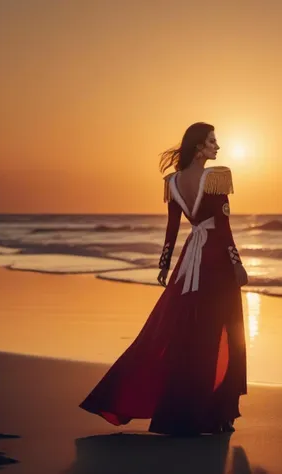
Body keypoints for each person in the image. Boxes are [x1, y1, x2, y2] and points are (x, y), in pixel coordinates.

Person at [79, 122, 248, 435]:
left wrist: (165, 263)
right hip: (215, 263)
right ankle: (219, 413)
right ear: (199, 146)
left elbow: (172, 228)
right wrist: (237, 264)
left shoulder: (173, 182)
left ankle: (190, 410)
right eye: (213, 141)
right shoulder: (216, 178)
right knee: (226, 332)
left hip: (189, 263)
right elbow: (223, 229)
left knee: (184, 334)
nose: (218, 147)